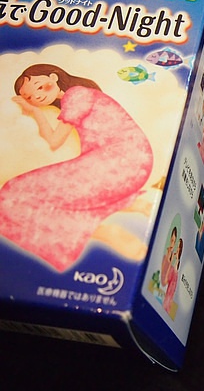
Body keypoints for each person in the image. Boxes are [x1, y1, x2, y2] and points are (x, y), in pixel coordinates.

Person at [0, 63, 154, 271]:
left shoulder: (76, 95)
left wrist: (34, 112)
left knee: (13, 194)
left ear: (54, 77)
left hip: (118, 162)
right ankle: (126, 206)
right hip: (125, 162)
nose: (37, 96)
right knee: (19, 196)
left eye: (40, 87)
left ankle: (100, 232)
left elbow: (54, 140)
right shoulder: (77, 97)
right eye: (29, 97)